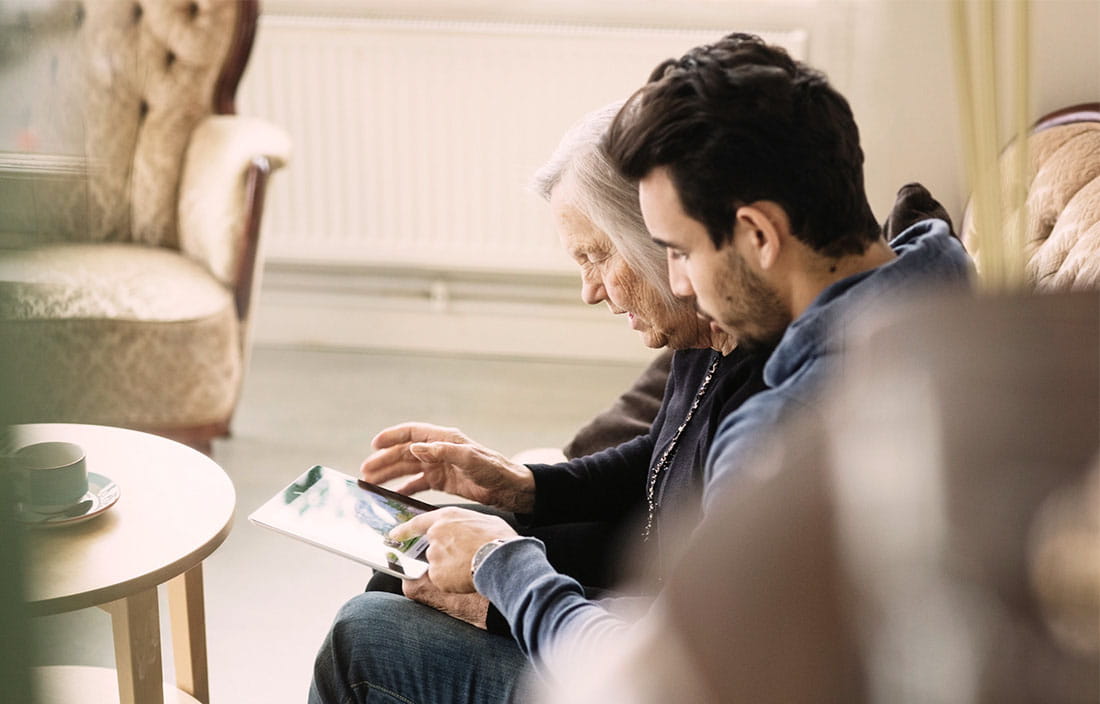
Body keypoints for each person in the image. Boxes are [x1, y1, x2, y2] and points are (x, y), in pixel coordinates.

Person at [308, 101, 772, 703]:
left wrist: (497, 596)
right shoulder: (703, 328)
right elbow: (663, 452)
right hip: (635, 600)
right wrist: (523, 484)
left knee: (361, 637)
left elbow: (676, 649)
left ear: (661, 235)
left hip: (652, 665)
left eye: (597, 256)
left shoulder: (768, 404)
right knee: (416, 556)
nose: (589, 291)